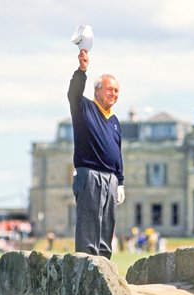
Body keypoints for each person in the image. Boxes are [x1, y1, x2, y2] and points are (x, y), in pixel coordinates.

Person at [68, 49, 125, 259]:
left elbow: (117, 153)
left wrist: (120, 181)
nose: (114, 94)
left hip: (110, 178)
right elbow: (73, 93)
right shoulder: (84, 108)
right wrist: (81, 70)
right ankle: (86, 270)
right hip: (89, 174)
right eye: (110, 90)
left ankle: (104, 268)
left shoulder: (115, 121)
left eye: (117, 91)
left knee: (106, 225)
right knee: (89, 226)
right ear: (98, 90)